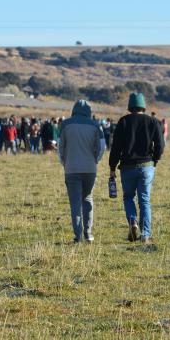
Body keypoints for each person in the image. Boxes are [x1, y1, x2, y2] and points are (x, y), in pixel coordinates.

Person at [109, 92, 164, 244]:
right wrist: (155, 159)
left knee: (128, 197)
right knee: (144, 200)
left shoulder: (123, 121)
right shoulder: (153, 121)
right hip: (146, 166)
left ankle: (133, 222)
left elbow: (116, 147)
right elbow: (160, 145)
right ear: (143, 106)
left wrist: (112, 166)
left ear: (130, 106)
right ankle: (145, 234)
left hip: (127, 167)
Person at [58, 100, 105, 243]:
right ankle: (88, 234)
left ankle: (78, 236)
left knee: (75, 203)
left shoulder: (65, 124)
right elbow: (102, 147)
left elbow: (60, 146)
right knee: (87, 198)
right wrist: (96, 160)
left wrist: (64, 162)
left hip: (71, 168)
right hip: (90, 169)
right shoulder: (96, 125)